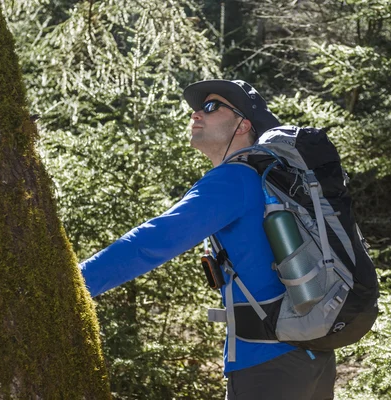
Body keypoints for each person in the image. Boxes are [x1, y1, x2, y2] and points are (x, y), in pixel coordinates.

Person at [80, 79, 337, 400]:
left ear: (244, 124)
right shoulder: (271, 179)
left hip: (268, 364)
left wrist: (74, 284)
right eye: (197, 108)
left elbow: (154, 240)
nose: (196, 114)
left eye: (212, 107)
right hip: (313, 355)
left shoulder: (235, 178)